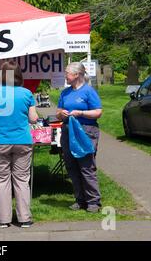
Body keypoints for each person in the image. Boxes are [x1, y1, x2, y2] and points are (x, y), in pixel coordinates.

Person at [0, 61, 38, 228]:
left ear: (3, 76)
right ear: (19, 75)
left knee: (1, 179)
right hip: (22, 140)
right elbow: (33, 118)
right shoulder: (27, 93)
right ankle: (24, 219)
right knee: (21, 179)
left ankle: (3, 219)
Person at [56, 62, 103, 213]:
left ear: (77, 75)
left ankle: (93, 201)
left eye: (67, 74)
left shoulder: (89, 91)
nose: (65, 76)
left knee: (86, 166)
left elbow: (98, 112)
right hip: (68, 130)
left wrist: (81, 113)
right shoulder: (65, 93)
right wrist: (60, 113)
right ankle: (80, 199)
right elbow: (58, 110)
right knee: (71, 166)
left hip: (86, 131)